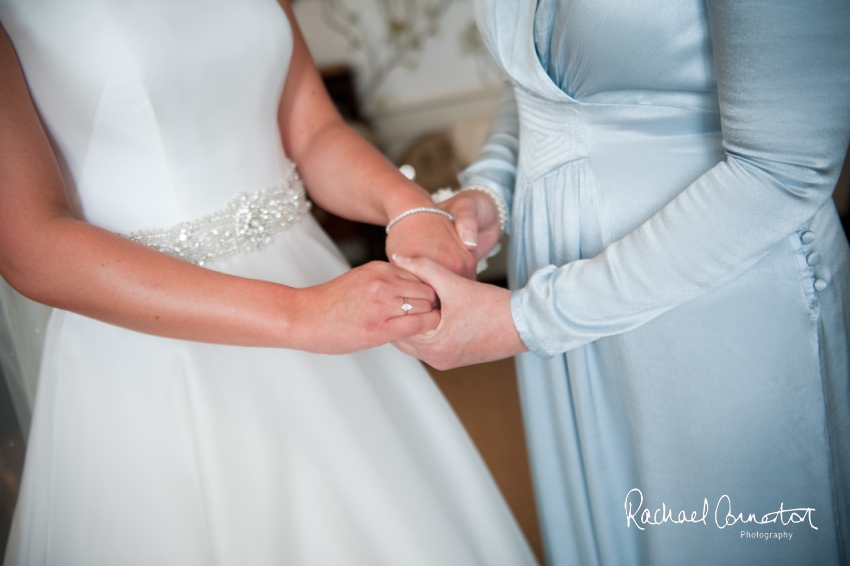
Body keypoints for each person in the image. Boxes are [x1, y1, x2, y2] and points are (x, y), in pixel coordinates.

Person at [0, 1, 538, 564]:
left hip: (311, 274)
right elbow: (29, 242)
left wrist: (409, 208)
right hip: (152, 331)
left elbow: (313, 134)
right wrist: (302, 316)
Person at [395, 1, 850, 564]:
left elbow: (786, 168)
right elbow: (539, 81)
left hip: (714, 297)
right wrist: (491, 188)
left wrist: (528, 320)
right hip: (556, 291)